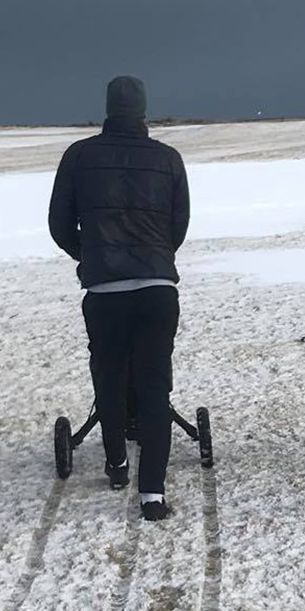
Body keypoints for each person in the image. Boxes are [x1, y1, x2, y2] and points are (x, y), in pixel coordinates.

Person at [49, 75, 190, 522]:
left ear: (108, 110)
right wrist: (153, 256)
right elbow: (178, 226)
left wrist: (91, 255)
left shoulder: (79, 156)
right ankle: (152, 493)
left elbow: (58, 223)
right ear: (145, 112)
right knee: (154, 384)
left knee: (109, 376)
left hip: (105, 292)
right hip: (157, 290)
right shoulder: (168, 159)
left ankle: (116, 465)